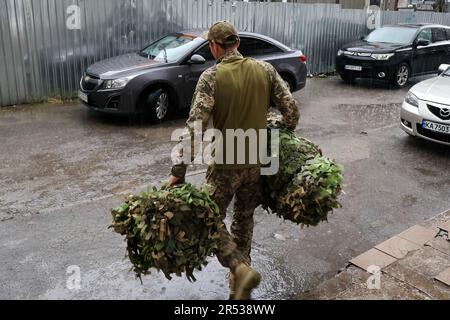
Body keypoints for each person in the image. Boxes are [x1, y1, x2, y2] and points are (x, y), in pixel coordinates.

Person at [168, 21, 299, 300]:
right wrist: (276, 125)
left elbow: (195, 127)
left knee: (205, 218)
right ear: (237, 43)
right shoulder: (265, 70)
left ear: (215, 47)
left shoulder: (212, 77)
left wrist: (178, 170)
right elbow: (291, 113)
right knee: (243, 220)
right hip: (256, 164)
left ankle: (239, 269)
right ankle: (240, 287)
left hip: (225, 165)